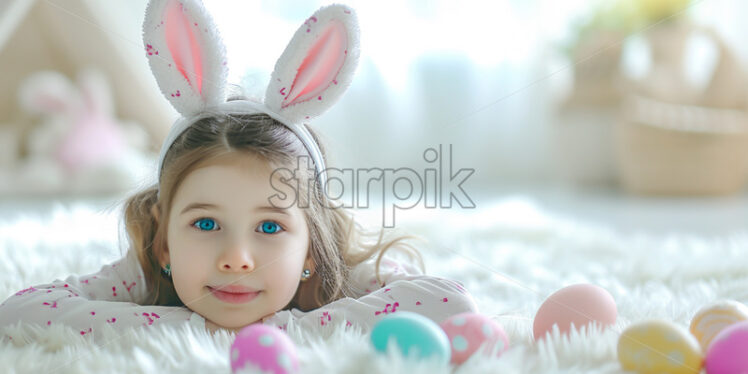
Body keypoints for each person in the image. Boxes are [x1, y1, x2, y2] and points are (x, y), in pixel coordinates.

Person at [0, 0, 477, 342]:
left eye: (270, 226)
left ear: (311, 248)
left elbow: (447, 303)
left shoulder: (344, 276)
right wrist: (196, 330)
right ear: (165, 243)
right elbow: (19, 313)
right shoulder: (147, 271)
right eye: (205, 224)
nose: (237, 258)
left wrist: (282, 330)